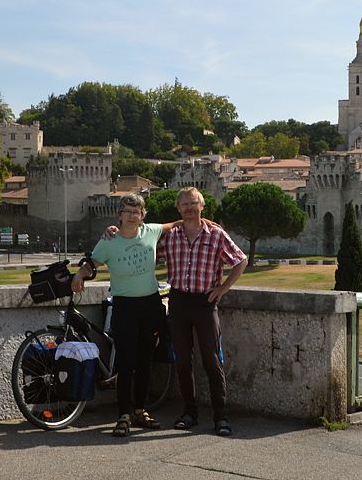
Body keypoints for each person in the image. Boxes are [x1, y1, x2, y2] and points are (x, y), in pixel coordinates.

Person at [72, 193, 178, 437]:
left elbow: (176, 224)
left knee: (144, 362)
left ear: (143, 216)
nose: (132, 216)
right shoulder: (109, 240)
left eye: (137, 212)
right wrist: (79, 275)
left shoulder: (150, 231)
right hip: (125, 307)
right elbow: (92, 263)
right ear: (119, 215)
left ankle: (140, 410)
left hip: (150, 306)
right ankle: (123, 415)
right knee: (126, 363)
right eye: (127, 212)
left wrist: (205, 222)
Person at [160, 187, 247, 437]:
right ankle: (190, 412)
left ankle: (221, 416)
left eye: (193, 203)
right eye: (184, 204)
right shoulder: (170, 237)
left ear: (202, 206)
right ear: (178, 208)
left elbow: (240, 260)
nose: (189, 207)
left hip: (204, 303)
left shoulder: (216, 235)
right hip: (177, 301)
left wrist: (223, 288)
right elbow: (144, 242)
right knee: (183, 360)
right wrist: (113, 232)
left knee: (212, 360)